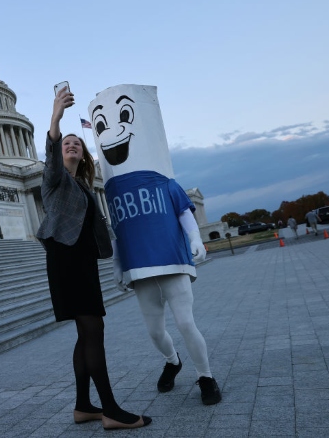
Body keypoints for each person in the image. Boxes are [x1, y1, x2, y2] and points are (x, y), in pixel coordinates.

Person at [87, 84, 221, 406]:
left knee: (186, 322)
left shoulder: (164, 180)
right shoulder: (114, 191)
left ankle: (206, 377)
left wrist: (194, 238)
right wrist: (119, 266)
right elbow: (119, 231)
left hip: (170, 257)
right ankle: (173, 361)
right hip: (140, 266)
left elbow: (182, 211)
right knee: (154, 332)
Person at [36, 86, 151, 430]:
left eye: (77, 144)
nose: (71, 145)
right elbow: (52, 150)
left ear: (84, 155)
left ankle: (84, 405)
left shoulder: (84, 188)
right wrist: (57, 115)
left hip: (79, 260)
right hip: (66, 259)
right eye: (67, 143)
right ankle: (111, 409)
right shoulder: (54, 180)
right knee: (93, 329)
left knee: (86, 333)